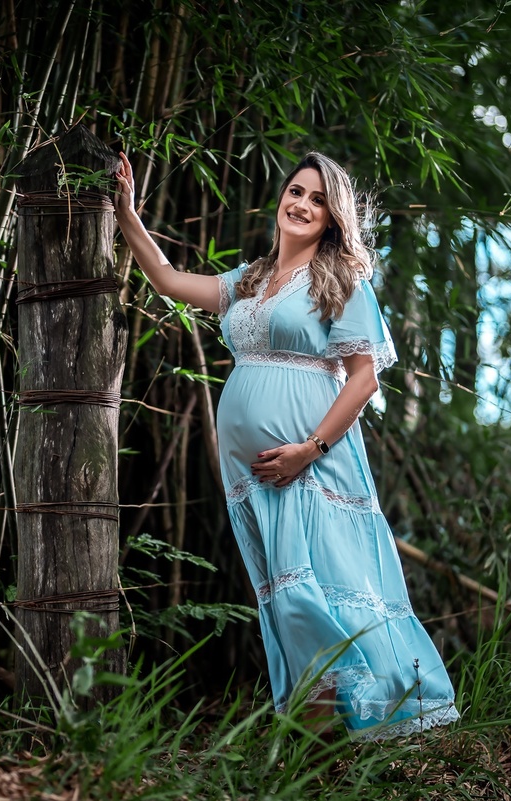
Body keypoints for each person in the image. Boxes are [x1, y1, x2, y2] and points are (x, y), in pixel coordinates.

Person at [114, 150, 459, 740]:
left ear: (332, 218)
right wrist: (126, 216)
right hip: (253, 475)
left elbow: (364, 378)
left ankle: (362, 719)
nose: (302, 204)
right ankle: (318, 732)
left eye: (318, 199)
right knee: (287, 600)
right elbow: (168, 279)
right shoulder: (247, 280)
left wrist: (310, 450)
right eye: (296, 191)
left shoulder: (340, 281)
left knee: (315, 592)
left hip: (315, 466)